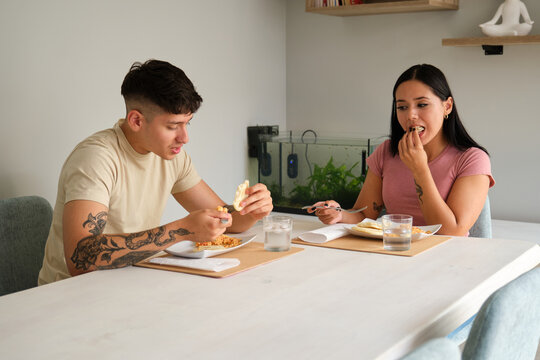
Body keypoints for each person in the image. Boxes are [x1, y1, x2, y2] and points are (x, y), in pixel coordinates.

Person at [38, 59, 273, 285]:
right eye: (172, 126)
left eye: (186, 124)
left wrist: (252, 209)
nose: (184, 137)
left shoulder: (172, 157)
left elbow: (227, 222)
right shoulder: (96, 158)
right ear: (137, 120)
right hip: (70, 296)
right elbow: (81, 259)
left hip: (132, 284)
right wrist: (181, 231)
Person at [308, 64, 494, 236]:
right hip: (396, 252)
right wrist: (338, 214)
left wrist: (419, 169)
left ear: (447, 106)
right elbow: (364, 215)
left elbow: (452, 233)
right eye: (402, 107)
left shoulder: (473, 159)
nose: (411, 115)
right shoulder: (387, 152)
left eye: (422, 105)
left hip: (447, 260)